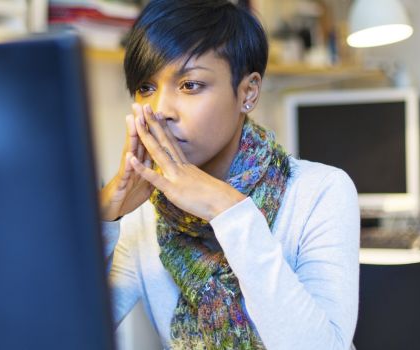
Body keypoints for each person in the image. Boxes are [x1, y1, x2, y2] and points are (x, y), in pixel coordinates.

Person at [98, 1, 359, 349]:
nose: (161, 110)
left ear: (248, 92)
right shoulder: (145, 209)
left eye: (190, 85)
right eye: (147, 88)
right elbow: (54, 335)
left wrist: (227, 210)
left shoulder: (320, 191)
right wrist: (100, 219)